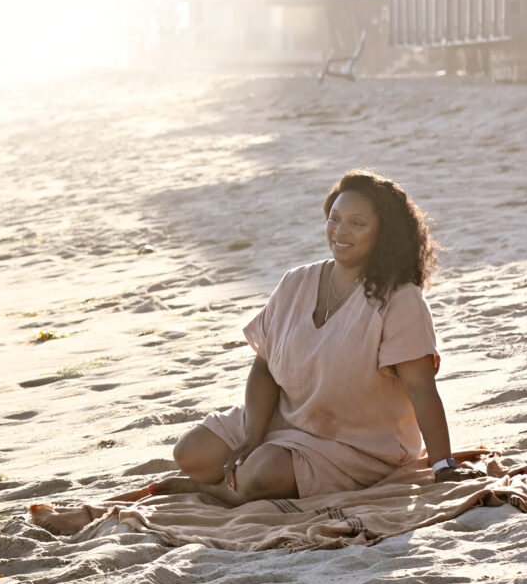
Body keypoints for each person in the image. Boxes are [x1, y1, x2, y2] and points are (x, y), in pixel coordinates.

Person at [33, 170, 454, 529]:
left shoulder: (401, 301)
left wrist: (442, 466)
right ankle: (213, 482)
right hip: (288, 417)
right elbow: (265, 369)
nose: (340, 232)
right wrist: (252, 436)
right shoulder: (297, 282)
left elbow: (421, 389)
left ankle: (208, 493)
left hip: (358, 444)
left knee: (257, 476)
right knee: (191, 453)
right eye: (334, 218)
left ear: (384, 234)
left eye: (357, 223)